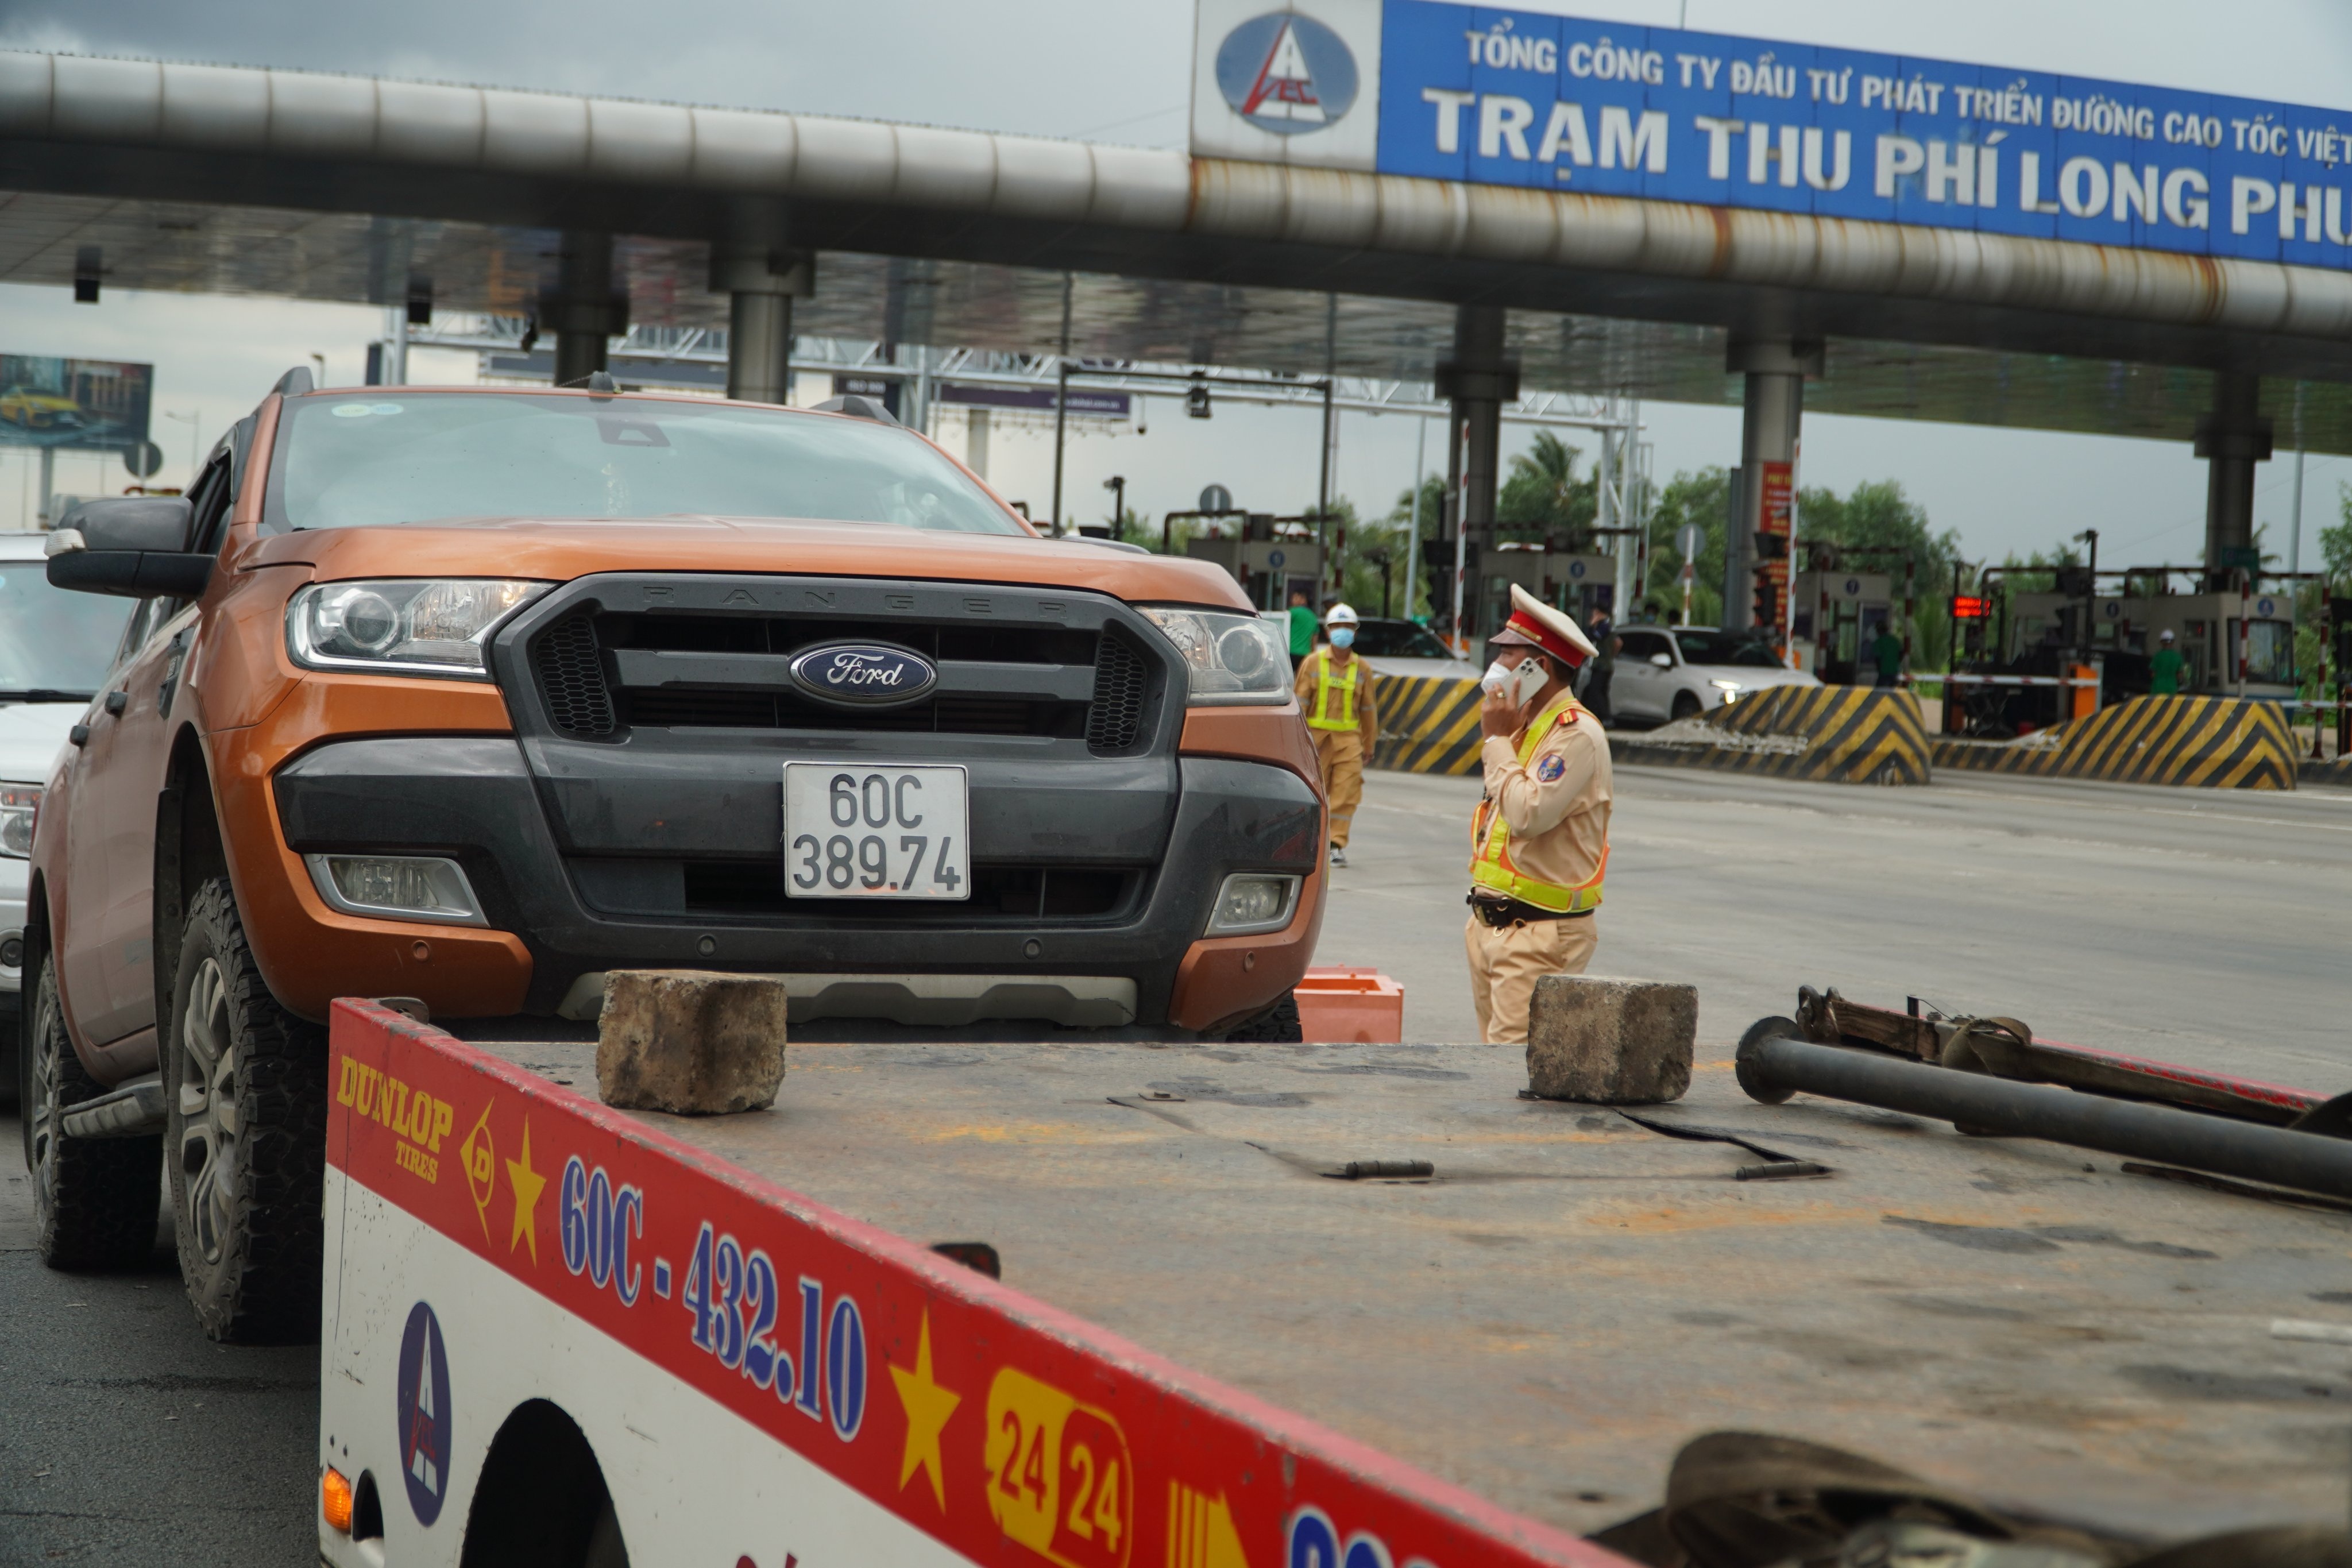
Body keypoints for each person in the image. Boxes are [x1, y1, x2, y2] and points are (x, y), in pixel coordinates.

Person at [1466, 585, 1610, 1048]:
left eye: (1507, 655)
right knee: (1495, 1064)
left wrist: (1494, 742)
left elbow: (1528, 814)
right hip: (1494, 926)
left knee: (1510, 1071)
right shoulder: (1527, 727)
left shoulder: (1576, 735)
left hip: (1538, 934)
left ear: (1537, 667)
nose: (1496, 666)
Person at [1294, 602, 1377, 868]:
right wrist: (1296, 740)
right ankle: (1310, 842)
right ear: (1329, 632)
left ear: (1356, 631)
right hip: (1315, 741)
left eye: (1348, 627)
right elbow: (1300, 703)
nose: (1343, 631)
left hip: (1349, 742)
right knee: (1313, 794)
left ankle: (1335, 845)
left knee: (1346, 793)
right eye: (1338, 627)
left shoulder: (1362, 668)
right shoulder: (1312, 662)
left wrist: (1369, 744)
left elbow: (1368, 710)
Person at [1581, 608, 1617, 724]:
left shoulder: (1605, 626)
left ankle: (1604, 717)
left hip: (1602, 666)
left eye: (1596, 613)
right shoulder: (1606, 626)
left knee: (1596, 691)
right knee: (1600, 691)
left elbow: (1593, 637)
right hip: (1601, 665)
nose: (1593, 615)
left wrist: (1592, 625)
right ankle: (1605, 717)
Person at [2149, 628, 2185, 696]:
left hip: (2157, 689)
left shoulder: (2157, 656)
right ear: (2173, 642)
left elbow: (2153, 674)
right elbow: (2180, 676)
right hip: (2172, 690)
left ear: (2162, 642)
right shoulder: (2178, 657)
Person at [1870, 622, 1905, 688]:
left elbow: (1877, 658)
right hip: (1895, 671)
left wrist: (1879, 669)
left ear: (1878, 631)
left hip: (1884, 672)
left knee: (1878, 693)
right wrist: (1896, 663)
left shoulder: (1878, 642)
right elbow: (1902, 653)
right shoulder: (1895, 641)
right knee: (1893, 692)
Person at [1286, 588, 1317, 659]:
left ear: (1304, 599)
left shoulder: (1291, 612)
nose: (1293, 600)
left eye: (1296, 598)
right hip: (1306, 655)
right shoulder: (1313, 616)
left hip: (1290, 652)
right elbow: (1314, 639)